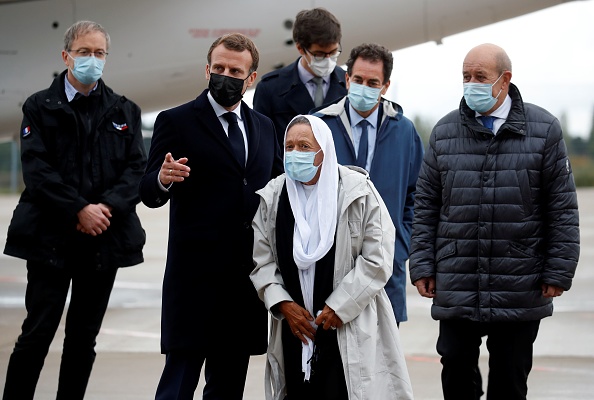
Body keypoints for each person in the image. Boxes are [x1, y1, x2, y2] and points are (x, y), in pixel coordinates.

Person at [408, 43, 580, 400]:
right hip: (457, 276)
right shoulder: (444, 132)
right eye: (466, 77)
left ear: (505, 80)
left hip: (519, 279)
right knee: (455, 369)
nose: (471, 84)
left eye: (480, 77)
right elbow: (424, 205)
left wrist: (558, 270)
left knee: (509, 381)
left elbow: (561, 207)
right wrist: (422, 263)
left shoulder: (544, 129)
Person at [2, 20, 147, 400]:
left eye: (100, 53)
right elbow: (38, 172)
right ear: (66, 56)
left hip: (103, 241)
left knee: (83, 338)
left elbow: (136, 170)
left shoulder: (125, 110)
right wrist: (79, 209)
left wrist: (104, 209)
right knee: (36, 333)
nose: (92, 60)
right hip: (50, 240)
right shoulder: (38, 106)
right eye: (84, 52)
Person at [139, 33, 283, 400]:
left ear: (251, 78)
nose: (225, 75)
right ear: (207, 70)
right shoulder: (176, 121)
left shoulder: (265, 128)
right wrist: (162, 179)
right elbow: (148, 192)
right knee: (178, 384)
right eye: (218, 68)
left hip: (244, 283)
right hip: (194, 282)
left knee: (228, 387)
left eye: (235, 70)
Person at [250, 114, 414, 400]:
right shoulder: (274, 195)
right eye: (289, 147)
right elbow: (261, 261)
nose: (294, 154)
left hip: (346, 324)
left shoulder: (358, 191)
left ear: (324, 150)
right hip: (294, 327)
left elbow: (378, 259)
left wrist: (340, 306)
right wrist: (283, 304)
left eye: (304, 146)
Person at [313, 43, 424, 325]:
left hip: (385, 269)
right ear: (347, 79)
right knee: (331, 364)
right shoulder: (319, 126)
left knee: (383, 363)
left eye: (373, 82)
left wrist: (399, 247)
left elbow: (416, 197)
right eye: (358, 80)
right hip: (329, 265)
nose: (364, 87)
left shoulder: (404, 131)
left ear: (385, 86)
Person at [253, 7, 347, 145]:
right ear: (300, 48)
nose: (328, 59)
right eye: (319, 54)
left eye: (333, 52)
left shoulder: (349, 84)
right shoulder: (270, 89)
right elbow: (261, 145)